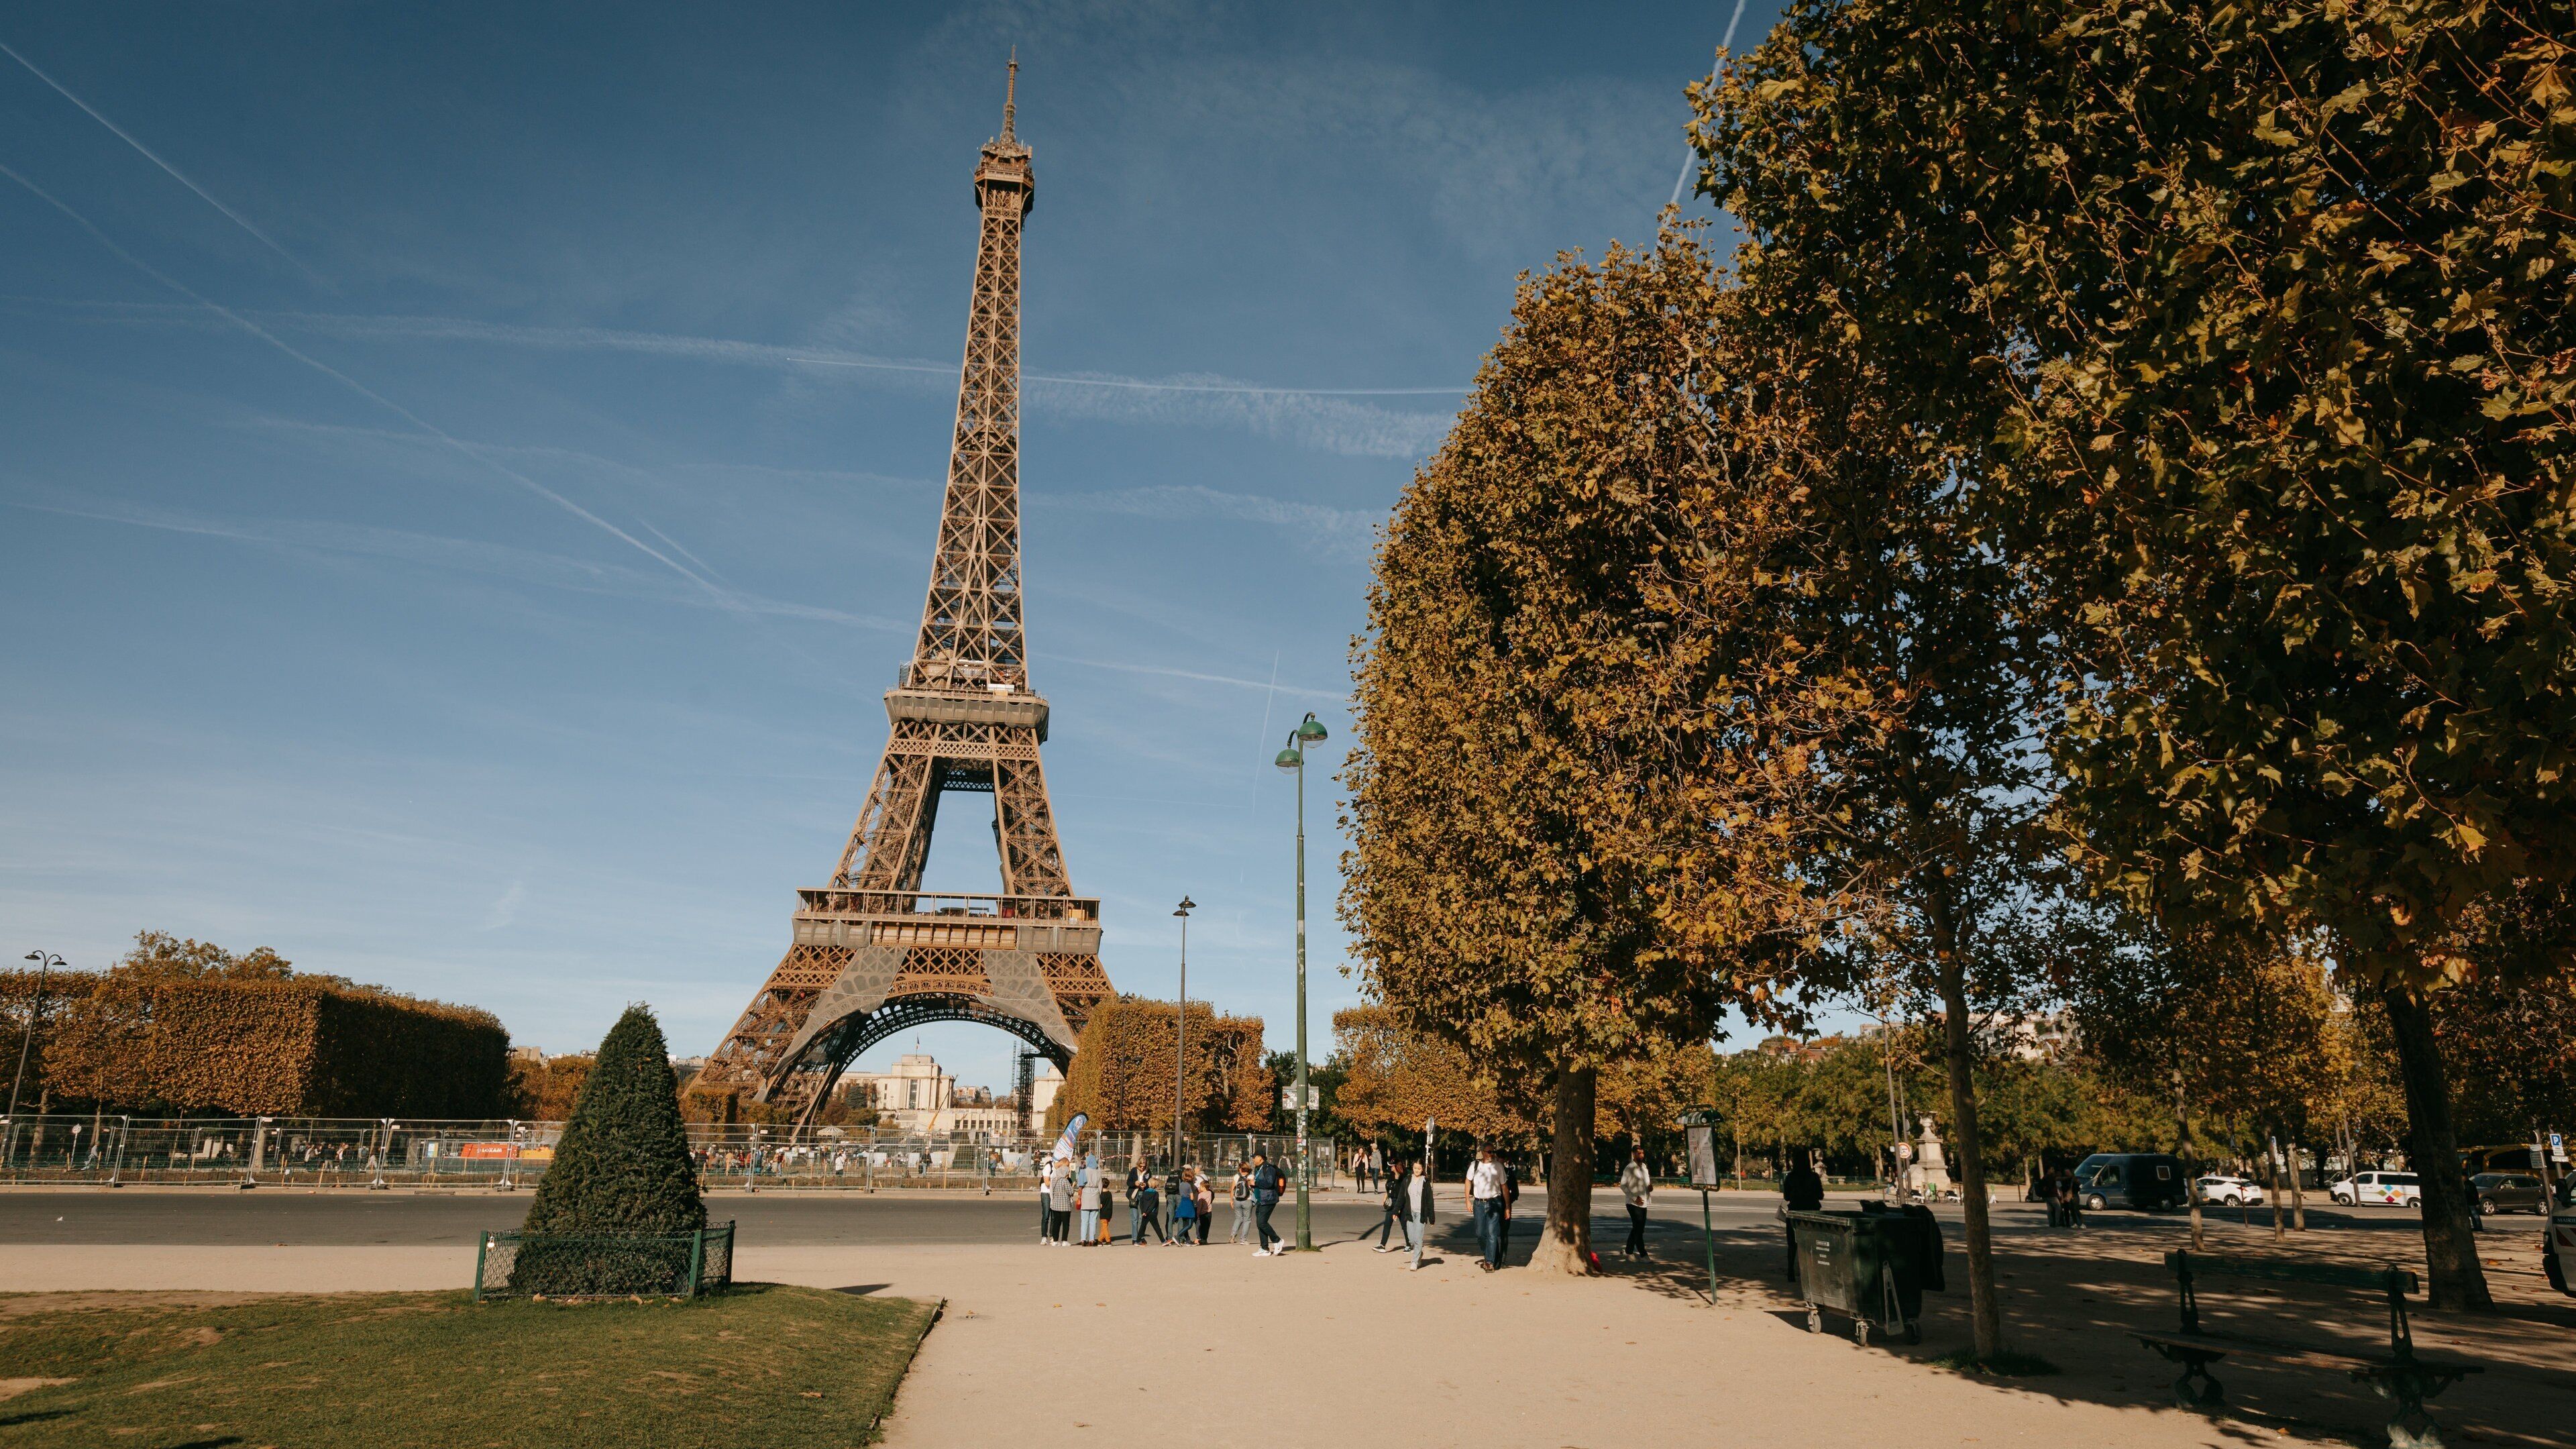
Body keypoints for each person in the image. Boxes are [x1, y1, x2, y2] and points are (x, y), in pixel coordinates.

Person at [1782, 1150, 1825, 1279]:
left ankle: (1791, 1270)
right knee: (1812, 1242)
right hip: (1812, 1211)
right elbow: (1821, 1196)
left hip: (1795, 1211)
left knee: (1792, 1243)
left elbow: (1786, 1197)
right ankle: (1811, 1270)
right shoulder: (1814, 1177)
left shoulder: (1790, 1177)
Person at [1468, 1145, 1508, 1272]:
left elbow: (1504, 1187)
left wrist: (1508, 1206)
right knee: (1480, 1234)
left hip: (1495, 1202)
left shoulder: (1498, 1166)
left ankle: (1489, 1262)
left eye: (1493, 1152)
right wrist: (1467, 1200)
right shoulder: (1475, 1165)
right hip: (1479, 1203)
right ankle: (1489, 1253)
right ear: (1483, 1152)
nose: (1492, 1154)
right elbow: (1467, 1181)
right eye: (1489, 1152)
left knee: (1492, 1233)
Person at [1250, 1150, 1287, 1256]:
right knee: (1259, 1224)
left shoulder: (1268, 1168)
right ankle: (1264, 1248)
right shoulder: (1259, 1168)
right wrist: (1253, 1184)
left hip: (1268, 1199)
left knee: (1262, 1222)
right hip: (1260, 1199)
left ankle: (1277, 1240)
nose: (1253, 1159)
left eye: (1254, 1157)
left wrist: (1256, 1182)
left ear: (1261, 1158)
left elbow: (1270, 1183)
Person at [1619, 1146, 1654, 1260]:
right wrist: (1635, 1198)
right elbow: (1623, 1185)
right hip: (1633, 1203)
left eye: (1643, 1153)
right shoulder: (1629, 1168)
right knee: (1638, 1229)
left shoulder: (1644, 1167)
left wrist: (1650, 1188)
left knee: (1639, 1228)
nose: (1642, 1156)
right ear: (1634, 1154)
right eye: (1639, 1153)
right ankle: (1643, 1254)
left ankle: (1628, 1251)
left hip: (1644, 1202)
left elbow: (1646, 1183)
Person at [1404, 1159, 1434, 1270]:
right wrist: (1396, 1211)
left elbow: (1430, 1201)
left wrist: (1431, 1217)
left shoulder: (1425, 1182)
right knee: (1411, 1239)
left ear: (1423, 1169)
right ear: (1413, 1168)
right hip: (1410, 1213)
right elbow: (1402, 1197)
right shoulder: (1407, 1180)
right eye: (1415, 1168)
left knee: (1418, 1239)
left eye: (1419, 1168)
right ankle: (1420, 1254)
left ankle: (1415, 1262)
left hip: (1421, 1214)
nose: (1417, 1170)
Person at [1371, 1157, 1405, 1251]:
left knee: (1404, 1225)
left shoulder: (1403, 1177)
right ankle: (1382, 1245)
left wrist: (1399, 1206)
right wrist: (1385, 1197)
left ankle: (1409, 1245)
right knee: (1387, 1224)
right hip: (1391, 1202)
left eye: (1392, 1166)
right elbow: (1388, 1187)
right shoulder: (1391, 1175)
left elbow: (1403, 1193)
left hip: (1400, 1203)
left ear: (1396, 1166)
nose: (1390, 1167)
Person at [1133, 1171, 1168, 1244]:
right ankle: (1163, 1241)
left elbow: (1141, 1203)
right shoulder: (1155, 1193)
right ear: (1156, 1185)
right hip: (1152, 1213)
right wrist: (1148, 1212)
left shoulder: (1145, 1193)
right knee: (1157, 1228)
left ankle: (1137, 1241)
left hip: (1145, 1213)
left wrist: (1143, 1212)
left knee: (1142, 1227)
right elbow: (1154, 1204)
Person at [1048, 1155, 1076, 1244]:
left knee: (1056, 1223)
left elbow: (1052, 1191)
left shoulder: (1054, 1180)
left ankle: (1055, 1241)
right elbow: (1071, 1192)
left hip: (1056, 1205)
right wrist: (1073, 1186)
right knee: (1065, 1224)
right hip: (1065, 1206)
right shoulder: (1065, 1181)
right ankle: (1064, 1241)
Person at [1077, 1157, 1104, 1246]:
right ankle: (1092, 1239)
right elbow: (1101, 1187)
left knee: (1084, 1220)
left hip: (1086, 1195)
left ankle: (1083, 1239)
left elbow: (1080, 1185)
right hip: (1095, 1195)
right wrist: (1097, 1194)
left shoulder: (1083, 1171)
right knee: (1093, 1220)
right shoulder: (1098, 1172)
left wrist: (1080, 1196)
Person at [1169, 1167, 1197, 1245]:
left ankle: (1188, 1240)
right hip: (1188, 1204)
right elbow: (1192, 1197)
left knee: (1185, 1223)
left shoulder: (1181, 1184)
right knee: (1190, 1224)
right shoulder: (1189, 1185)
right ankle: (1178, 1236)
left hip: (1182, 1203)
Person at [1230, 1163, 1255, 1244]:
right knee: (1247, 1220)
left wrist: (1231, 1200)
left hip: (1236, 1200)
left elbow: (1232, 1189)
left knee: (1238, 1218)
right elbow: (1254, 1188)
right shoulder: (1251, 1177)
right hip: (1247, 1200)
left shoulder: (1236, 1176)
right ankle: (1243, 1239)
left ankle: (1233, 1236)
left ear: (1240, 1169)